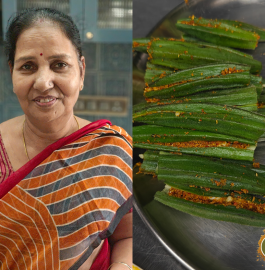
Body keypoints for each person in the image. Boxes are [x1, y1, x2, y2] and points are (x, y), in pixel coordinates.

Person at [0, 7, 132, 270]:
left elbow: (127, 234)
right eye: (28, 66)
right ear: (12, 73)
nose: (43, 82)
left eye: (59, 64)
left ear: (81, 71)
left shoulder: (113, 149)